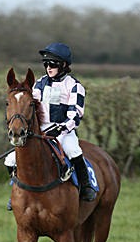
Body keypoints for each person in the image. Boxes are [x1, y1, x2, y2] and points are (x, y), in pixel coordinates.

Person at [5, 42, 97, 208]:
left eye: (53, 64)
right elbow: (30, 106)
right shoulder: (40, 83)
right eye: (46, 64)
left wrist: (61, 128)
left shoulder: (74, 86)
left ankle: (86, 186)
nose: (49, 67)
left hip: (64, 132)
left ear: (63, 65)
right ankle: (17, 194)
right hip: (41, 131)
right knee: (10, 160)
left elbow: (76, 114)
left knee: (73, 151)